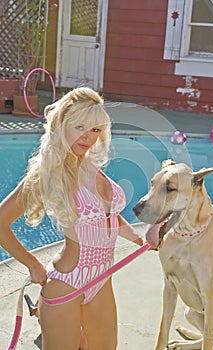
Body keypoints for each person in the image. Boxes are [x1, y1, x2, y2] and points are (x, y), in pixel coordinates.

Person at [0, 87, 147, 350]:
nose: (89, 137)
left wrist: (141, 239)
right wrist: (33, 265)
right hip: (67, 284)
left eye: (95, 130)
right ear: (63, 125)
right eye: (80, 127)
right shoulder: (49, 173)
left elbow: (109, 218)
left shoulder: (91, 167)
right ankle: (43, 311)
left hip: (102, 279)